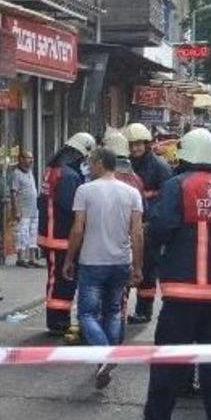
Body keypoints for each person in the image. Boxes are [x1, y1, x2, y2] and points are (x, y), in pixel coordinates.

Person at [123, 129, 211, 420]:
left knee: (168, 359)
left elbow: (161, 227)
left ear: (187, 153)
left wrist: (148, 255)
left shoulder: (178, 185)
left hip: (183, 289)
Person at [62, 147, 143, 388]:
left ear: (99, 164)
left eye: (90, 162)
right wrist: (137, 266)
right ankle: (107, 359)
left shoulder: (85, 190)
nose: (88, 165)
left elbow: (78, 229)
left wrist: (69, 258)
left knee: (86, 313)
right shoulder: (132, 193)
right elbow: (137, 233)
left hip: (92, 262)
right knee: (113, 311)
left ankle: (105, 355)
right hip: (120, 261)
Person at [39, 132, 94, 334]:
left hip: (51, 235)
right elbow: (74, 207)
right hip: (61, 237)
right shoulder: (68, 176)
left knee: (58, 279)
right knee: (61, 281)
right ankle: (57, 322)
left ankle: (59, 319)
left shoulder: (53, 170)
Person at [124, 122, 173, 324]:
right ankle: (119, 308)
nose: (136, 148)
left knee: (147, 270)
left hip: (148, 227)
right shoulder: (125, 165)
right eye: (132, 144)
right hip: (125, 226)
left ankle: (144, 311)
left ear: (147, 144)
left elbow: (167, 200)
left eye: (139, 144)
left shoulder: (160, 167)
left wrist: (151, 223)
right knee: (123, 268)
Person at [9, 150, 39, 268]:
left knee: (32, 234)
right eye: (28, 158)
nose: (31, 160)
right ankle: (21, 258)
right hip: (23, 210)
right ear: (21, 159)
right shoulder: (17, 173)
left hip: (33, 209)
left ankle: (31, 258)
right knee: (22, 234)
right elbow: (13, 193)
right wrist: (15, 210)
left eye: (31, 158)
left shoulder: (30, 172)